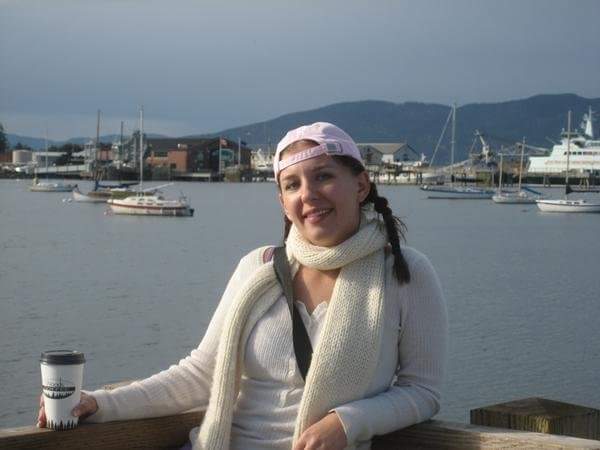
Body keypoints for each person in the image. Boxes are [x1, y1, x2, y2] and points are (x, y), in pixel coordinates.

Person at [37, 122, 448, 450]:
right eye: (292, 185)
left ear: (360, 186)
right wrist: (100, 403)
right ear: (282, 201)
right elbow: (201, 374)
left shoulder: (405, 274)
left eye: (323, 177)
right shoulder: (259, 268)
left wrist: (349, 422)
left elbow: (422, 391)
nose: (308, 195)